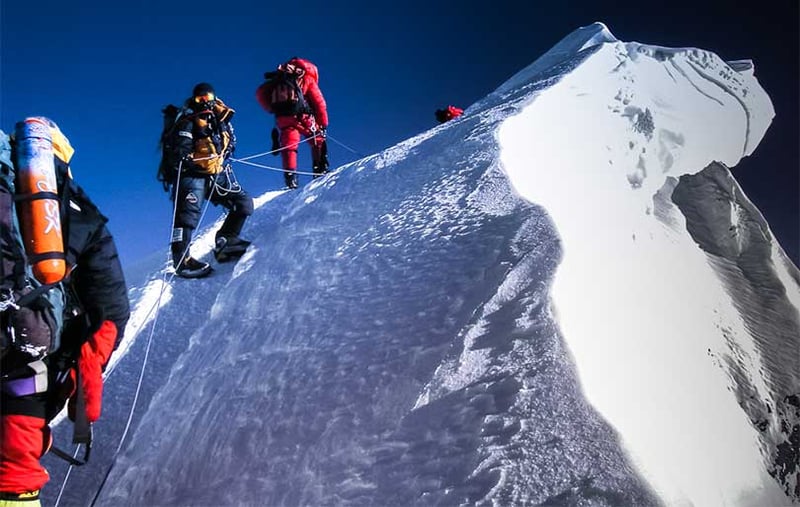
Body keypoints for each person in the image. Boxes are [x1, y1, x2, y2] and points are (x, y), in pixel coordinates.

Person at [0, 118, 130, 505]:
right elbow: (110, 312)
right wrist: (82, 399)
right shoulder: (77, 209)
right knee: (13, 477)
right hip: (23, 373)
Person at [167, 83, 254, 278]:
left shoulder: (219, 120)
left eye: (208, 97)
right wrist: (190, 160)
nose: (205, 102)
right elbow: (181, 148)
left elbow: (229, 142)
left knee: (243, 202)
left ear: (214, 97)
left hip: (216, 174)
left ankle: (227, 240)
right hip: (192, 175)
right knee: (187, 216)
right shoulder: (187, 119)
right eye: (200, 99)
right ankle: (182, 261)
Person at [255, 57, 329, 189]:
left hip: (283, 118)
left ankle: (290, 178)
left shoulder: (278, 80)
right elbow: (320, 104)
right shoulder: (306, 79)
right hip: (302, 117)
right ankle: (320, 170)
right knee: (317, 139)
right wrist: (323, 123)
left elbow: (260, 94)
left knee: (289, 146)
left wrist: (272, 109)